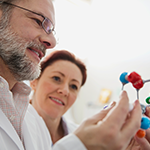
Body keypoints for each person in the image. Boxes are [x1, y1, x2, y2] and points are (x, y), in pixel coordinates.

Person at [0, 0, 146, 150]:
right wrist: (80, 145)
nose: (52, 41)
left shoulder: (32, 123)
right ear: (34, 82)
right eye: (38, 21)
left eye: (74, 86)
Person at [29, 50, 87, 145]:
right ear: (34, 81)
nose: (65, 91)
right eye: (56, 78)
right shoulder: (14, 128)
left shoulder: (80, 136)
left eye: (73, 86)